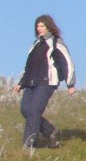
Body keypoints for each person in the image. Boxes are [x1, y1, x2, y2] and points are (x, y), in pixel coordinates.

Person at [14, 14, 76, 149]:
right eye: (37, 26)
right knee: (25, 110)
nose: (39, 28)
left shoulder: (56, 42)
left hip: (47, 82)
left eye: (42, 26)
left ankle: (29, 144)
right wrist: (21, 83)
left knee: (34, 111)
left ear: (48, 26)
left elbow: (67, 62)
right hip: (31, 82)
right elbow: (29, 66)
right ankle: (51, 131)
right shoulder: (35, 44)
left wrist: (70, 84)